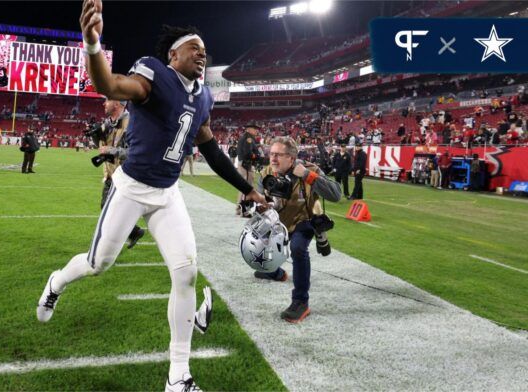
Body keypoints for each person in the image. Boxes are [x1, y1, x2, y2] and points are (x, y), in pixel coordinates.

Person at [37, 5, 266, 391]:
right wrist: (92, 44)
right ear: (172, 55)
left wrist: (247, 189)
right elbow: (111, 85)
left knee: (186, 272)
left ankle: (178, 376)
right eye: (194, 47)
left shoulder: (204, 97)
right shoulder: (154, 75)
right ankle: (56, 283)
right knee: (98, 263)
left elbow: (210, 150)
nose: (202, 53)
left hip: (167, 193)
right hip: (131, 188)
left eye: (204, 49)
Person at [253, 136, 341, 322]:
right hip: (278, 220)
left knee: (298, 248)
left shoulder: (309, 170)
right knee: (256, 239)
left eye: (278, 155)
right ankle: (275, 272)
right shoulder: (266, 173)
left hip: (304, 218)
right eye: (271, 154)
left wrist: (308, 176)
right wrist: (259, 206)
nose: (273, 158)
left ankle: (301, 302)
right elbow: (259, 201)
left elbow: (336, 194)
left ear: (291, 158)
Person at [98, 97, 145, 248]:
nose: (104, 103)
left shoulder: (132, 123)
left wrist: (111, 150)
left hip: (127, 175)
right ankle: (133, 232)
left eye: (107, 100)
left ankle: (107, 245)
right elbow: (106, 147)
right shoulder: (109, 124)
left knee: (110, 210)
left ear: (117, 104)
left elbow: (137, 152)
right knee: (107, 208)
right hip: (112, 174)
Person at [235, 124, 262, 216]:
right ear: (249, 129)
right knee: (246, 187)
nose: (256, 130)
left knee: (244, 187)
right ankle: (244, 210)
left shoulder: (247, 137)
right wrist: (257, 156)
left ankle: (239, 208)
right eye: (255, 128)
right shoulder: (248, 138)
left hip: (244, 164)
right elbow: (248, 153)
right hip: (246, 165)